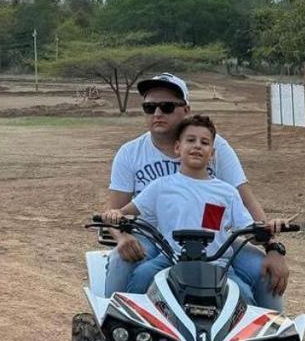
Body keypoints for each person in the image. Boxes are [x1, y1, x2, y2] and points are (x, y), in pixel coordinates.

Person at [102, 113, 289, 341]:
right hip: (169, 261)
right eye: (190, 140)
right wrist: (115, 216)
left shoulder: (225, 192)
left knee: (245, 299)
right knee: (139, 279)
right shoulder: (162, 186)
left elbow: (248, 229)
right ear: (178, 148)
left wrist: (269, 230)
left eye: (205, 142)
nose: (197, 147)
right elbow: (126, 212)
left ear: (213, 153)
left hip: (217, 266)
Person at [103, 73, 289, 307]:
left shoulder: (216, 147)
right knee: (123, 261)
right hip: (156, 239)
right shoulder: (131, 153)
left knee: (264, 272)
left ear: (186, 110)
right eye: (149, 107)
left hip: (213, 241)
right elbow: (117, 211)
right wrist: (123, 237)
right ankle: (114, 327)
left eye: (167, 106)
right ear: (179, 147)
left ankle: (271, 339)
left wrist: (273, 247)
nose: (158, 113)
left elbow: (245, 203)